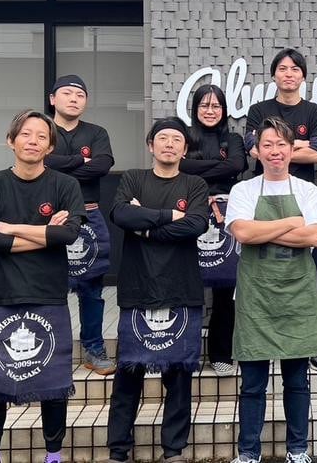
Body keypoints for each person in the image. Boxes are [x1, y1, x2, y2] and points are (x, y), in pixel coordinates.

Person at [0, 110, 84, 463]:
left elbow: (69, 233)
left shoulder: (65, 185)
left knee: (54, 383)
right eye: (26, 134)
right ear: (11, 141)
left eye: (41, 137)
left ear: (50, 146)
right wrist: (44, 234)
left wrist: (11, 228)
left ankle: (54, 455)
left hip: (47, 294)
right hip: (0, 293)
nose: (33, 141)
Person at [225, 116, 317, 463]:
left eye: (281, 145)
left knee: (297, 383)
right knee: (253, 385)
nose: (274, 152)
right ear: (256, 150)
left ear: (291, 149)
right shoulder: (244, 190)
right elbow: (242, 234)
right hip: (255, 297)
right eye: (267, 145)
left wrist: (262, 230)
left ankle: (297, 451)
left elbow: (313, 237)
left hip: (298, 296)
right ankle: (248, 453)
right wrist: (290, 223)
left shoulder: (308, 191)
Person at [106, 117, 210, 463]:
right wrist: (171, 217)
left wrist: (147, 225)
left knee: (179, 376)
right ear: (150, 145)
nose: (169, 144)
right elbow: (120, 214)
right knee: (128, 375)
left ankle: (173, 450)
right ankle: (119, 449)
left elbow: (197, 224)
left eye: (176, 139)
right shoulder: (134, 178)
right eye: (162, 138)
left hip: (181, 289)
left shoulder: (194, 184)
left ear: (184, 148)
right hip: (138, 289)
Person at [245, 48, 317, 371]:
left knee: (310, 270)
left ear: (303, 76)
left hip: (303, 195)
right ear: (273, 75)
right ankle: (262, 336)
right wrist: (299, 147)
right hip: (264, 194)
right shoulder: (259, 109)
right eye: (282, 68)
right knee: (264, 266)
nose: (289, 74)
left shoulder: (314, 111)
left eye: (295, 69)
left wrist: (277, 149)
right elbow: (252, 150)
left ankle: (313, 342)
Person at [43, 74, 117, 376]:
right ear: (52, 99)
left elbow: (103, 164)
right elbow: (40, 163)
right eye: (68, 93)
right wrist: (81, 163)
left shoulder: (96, 132)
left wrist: (60, 163)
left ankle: (93, 347)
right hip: (49, 216)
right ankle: (53, 350)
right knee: (49, 285)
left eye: (80, 94)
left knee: (92, 287)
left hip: (88, 213)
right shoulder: (43, 129)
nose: (74, 99)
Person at [179, 84, 248, 376]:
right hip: (191, 214)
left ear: (224, 110)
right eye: (204, 106)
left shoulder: (232, 138)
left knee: (225, 286)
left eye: (216, 106)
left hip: (225, 216)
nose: (210, 111)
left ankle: (221, 352)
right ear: (195, 109)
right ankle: (188, 354)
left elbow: (237, 164)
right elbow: (178, 166)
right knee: (189, 286)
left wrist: (196, 169)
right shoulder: (185, 137)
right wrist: (218, 167)